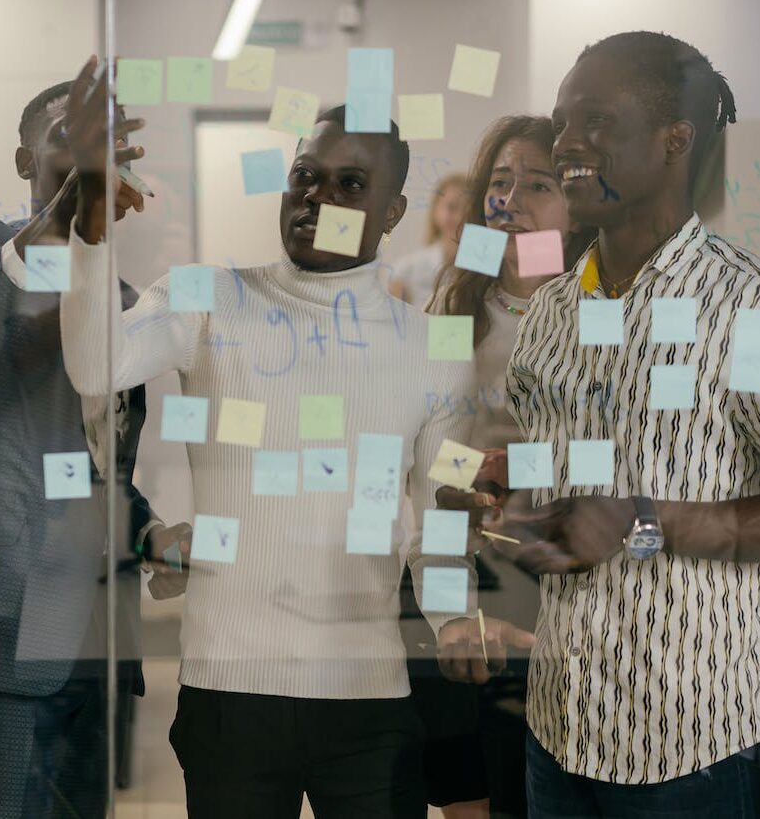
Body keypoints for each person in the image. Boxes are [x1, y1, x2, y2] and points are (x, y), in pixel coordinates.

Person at [58, 56, 531, 818]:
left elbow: (435, 527)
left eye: (349, 184)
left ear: (390, 210)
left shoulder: (428, 346)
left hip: (367, 701)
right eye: (304, 175)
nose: (316, 196)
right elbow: (92, 364)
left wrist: (449, 620)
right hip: (230, 691)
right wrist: (87, 217)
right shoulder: (207, 296)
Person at [0, 80, 188, 819]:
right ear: (25, 161)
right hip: (0, 625)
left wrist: (146, 531)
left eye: (104, 143)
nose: (90, 158)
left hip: (96, 636)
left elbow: (98, 468)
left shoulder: (118, 301)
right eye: (68, 138)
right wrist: (51, 230)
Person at [475, 32, 760, 817]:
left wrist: (645, 520)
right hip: (559, 728)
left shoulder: (745, 307)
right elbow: (544, 500)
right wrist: (500, 505)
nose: (566, 142)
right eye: (564, 121)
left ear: (675, 142)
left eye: (595, 121)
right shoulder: (552, 314)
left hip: (692, 745)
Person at [407, 115, 595, 819]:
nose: (511, 200)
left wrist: (524, 461)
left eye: (537, 185)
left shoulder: (600, 311)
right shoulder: (458, 309)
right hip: (477, 597)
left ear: (573, 202)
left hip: (577, 603)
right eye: (499, 181)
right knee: (472, 794)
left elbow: (631, 455)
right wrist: (472, 473)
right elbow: (437, 460)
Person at [388, 173, 468, 308]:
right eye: (452, 207)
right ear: (435, 210)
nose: (460, 217)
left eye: (468, 210)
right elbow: (394, 324)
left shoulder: (487, 273)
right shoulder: (405, 270)